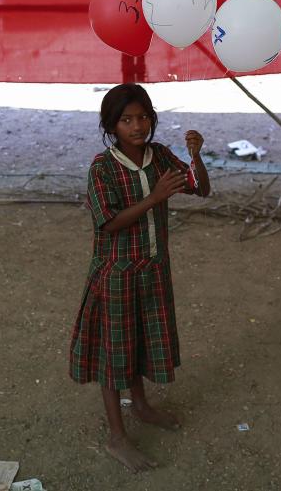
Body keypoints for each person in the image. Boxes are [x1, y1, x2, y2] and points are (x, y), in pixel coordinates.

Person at [69, 83, 210, 472]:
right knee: (115, 355)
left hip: (152, 270)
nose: (137, 126)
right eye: (127, 119)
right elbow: (108, 222)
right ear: (111, 125)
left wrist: (196, 158)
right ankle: (117, 436)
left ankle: (142, 406)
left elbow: (200, 189)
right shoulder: (103, 167)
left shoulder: (160, 155)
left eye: (143, 117)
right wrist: (154, 198)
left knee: (142, 340)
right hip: (117, 274)